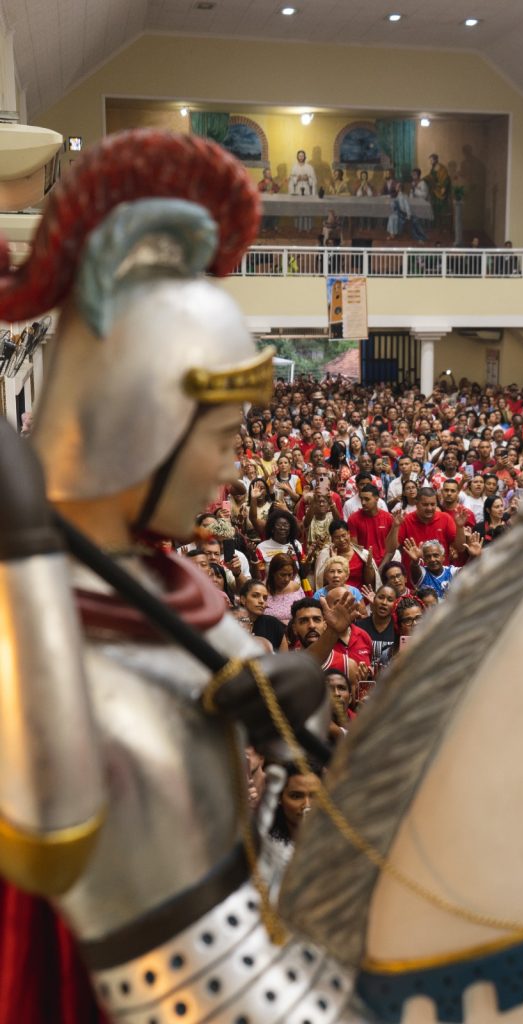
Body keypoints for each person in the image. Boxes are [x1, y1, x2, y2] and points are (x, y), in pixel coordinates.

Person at [0, 130, 333, 1024]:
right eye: (220, 439)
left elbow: (235, 868)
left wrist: (295, 737)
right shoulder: (30, 630)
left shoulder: (172, 589)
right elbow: (196, 986)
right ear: (140, 425)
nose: (231, 471)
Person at [347, 483, 394, 564]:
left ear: (377, 498)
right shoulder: (353, 519)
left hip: (385, 562)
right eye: (361, 499)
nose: (363, 502)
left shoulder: (388, 518)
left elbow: (392, 548)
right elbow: (355, 548)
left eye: (367, 499)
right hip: (363, 562)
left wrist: (381, 568)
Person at [357, 584, 397, 674]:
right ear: (374, 599)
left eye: (390, 600)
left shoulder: (398, 629)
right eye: (381, 597)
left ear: (395, 604)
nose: (384, 602)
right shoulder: (359, 626)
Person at [239, 577, 288, 651]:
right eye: (255, 596)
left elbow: (284, 659)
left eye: (265, 598)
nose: (262, 601)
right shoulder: (232, 624)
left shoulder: (273, 624)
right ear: (243, 599)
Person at [263, 551, 307, 624]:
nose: (287, 579)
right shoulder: (262, 590)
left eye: (290, 575)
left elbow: (305, 611)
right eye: (282, 575)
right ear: (273, 573)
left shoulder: (296, 587)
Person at [288, 148, 317, 232]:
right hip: (297, 189)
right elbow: (291, 179)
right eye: (299, 156)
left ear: (305, 157)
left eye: (302, 155)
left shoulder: (309, 167)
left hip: (307, 189)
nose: (301, 157)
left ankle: (307, 227)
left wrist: (308, 178)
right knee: (299, 208)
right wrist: (297, 178)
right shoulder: (294, 167)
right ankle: (299, 227)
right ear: (297, 157)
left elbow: (314, 180)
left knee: (307, 208)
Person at [424, 152, 452, 233]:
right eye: (430, 160)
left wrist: (442, 188)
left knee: (442, 210)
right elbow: (430, 177)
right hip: (434, 191)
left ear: (436, 160)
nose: (430, 162)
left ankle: (443, 228)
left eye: (431, 160)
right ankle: (436, 227)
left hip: (440, 192)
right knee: (435, 209)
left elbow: (446, 180)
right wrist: (424, 179)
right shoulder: (433, 168)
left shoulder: (442, 168)